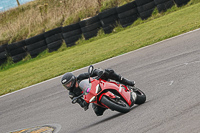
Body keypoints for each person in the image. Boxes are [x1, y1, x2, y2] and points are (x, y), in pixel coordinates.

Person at [61, 68, 135, 116]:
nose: (68, 86)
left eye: (68, 83)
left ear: (73, 79)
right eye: (66, 85)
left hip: (99, 84)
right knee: (98, 112)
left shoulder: (81, 77)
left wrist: (98, 72)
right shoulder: (72, 93)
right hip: (94, 97)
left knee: (108, 72)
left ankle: (127, 82)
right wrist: (85, 102)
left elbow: (93, 72)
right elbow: (83, 105)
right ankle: (110, 103)